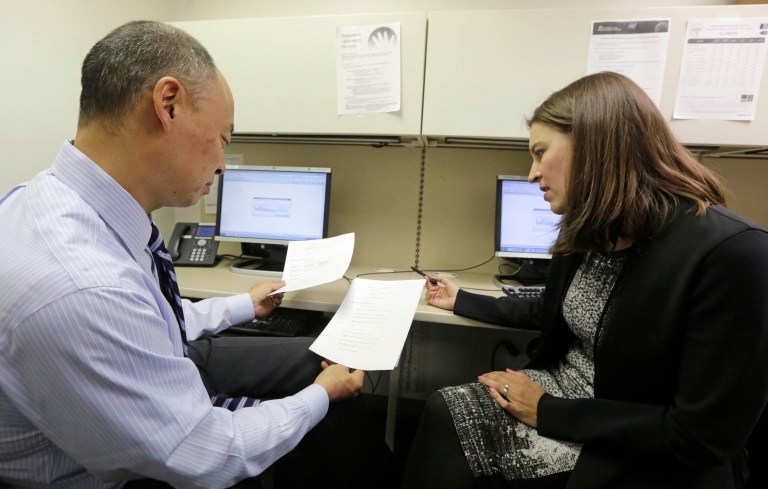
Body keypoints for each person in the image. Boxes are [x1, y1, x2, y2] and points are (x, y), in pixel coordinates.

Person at [0, 20, 391, 488]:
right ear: (168, 105)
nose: (224, 163)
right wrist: (319, 397)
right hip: (117, 473)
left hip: (125, 417)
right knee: (329, 398)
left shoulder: (46, 202)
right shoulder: (83, 284)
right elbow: (207, 455)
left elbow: (144, 317)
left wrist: (245, 305)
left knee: (317, 359)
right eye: (224, 138)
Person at [402, 71, 768, 489]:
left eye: (541, 153)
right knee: (444, 408)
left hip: (628, 435)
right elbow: (556, 310)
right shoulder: (592, 233)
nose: (532, 174)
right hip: (561, 394)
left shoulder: (731, 255)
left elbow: (702, 437)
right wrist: (463, 299)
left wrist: (547, 411)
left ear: (597, 147)